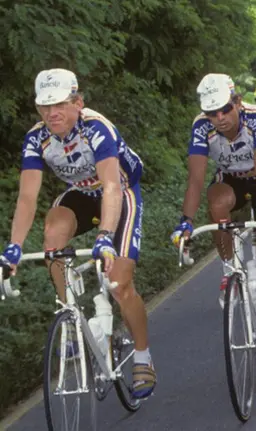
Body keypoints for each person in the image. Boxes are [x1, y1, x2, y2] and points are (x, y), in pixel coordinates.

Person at [0, 69, 155, 398]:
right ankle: (68, 314)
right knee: (53, 233)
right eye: (44, 106)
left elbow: (112, 186)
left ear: (77, 102)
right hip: (81, 194)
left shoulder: (96, 128)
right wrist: (13, 247)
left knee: (119, 283)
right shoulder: (36, 138)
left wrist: (105, 236)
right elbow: (27, 198)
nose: (50, 113)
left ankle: (143, 355)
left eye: (58, 105)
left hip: (120, 192)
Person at [171, 73, 256, 370]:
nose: (219, 118)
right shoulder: (202, 127)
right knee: (216, 203)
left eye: (225, 109)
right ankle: (229, 266)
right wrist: (185, 222)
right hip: (230, 182)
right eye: (212, 113)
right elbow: (196, 179)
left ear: (237, 102)